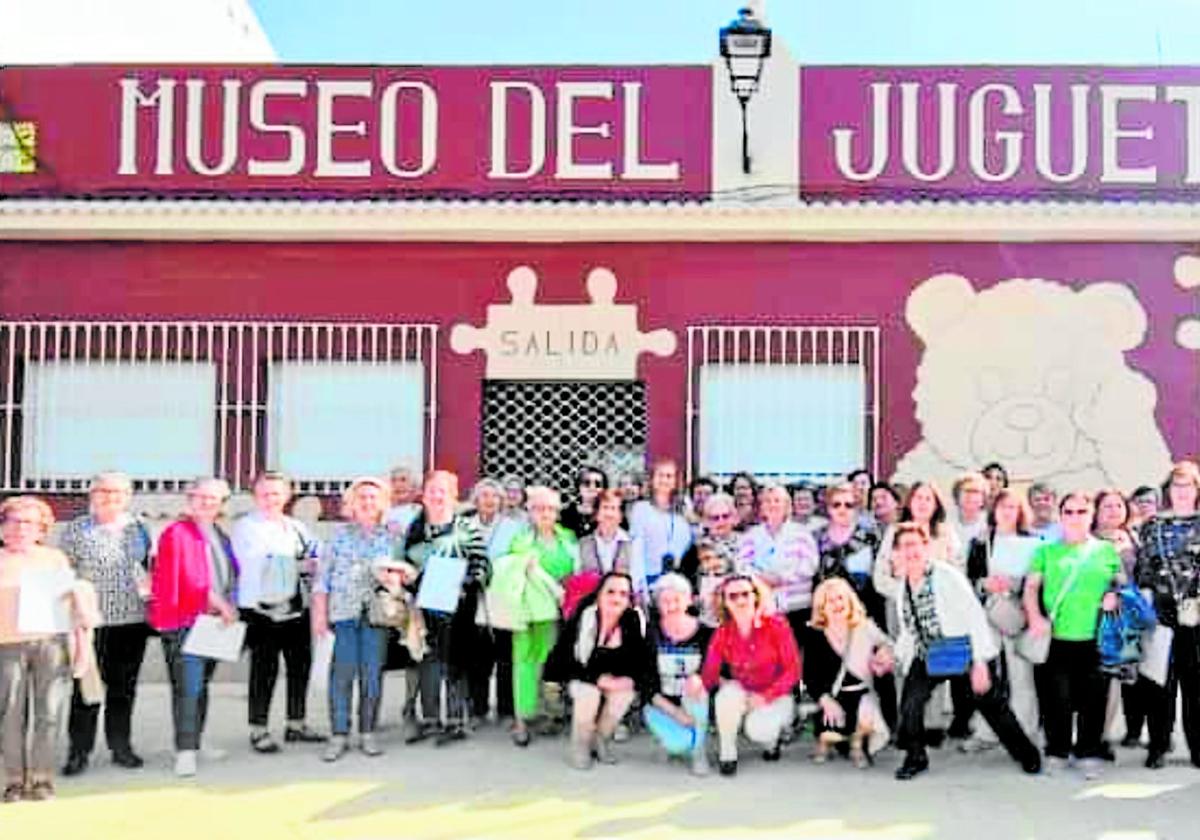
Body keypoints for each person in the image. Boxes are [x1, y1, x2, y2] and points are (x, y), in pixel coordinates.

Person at [892, 523, 1042, 780]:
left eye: (915, 544)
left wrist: (980, 663)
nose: (910, 551)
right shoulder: (902, 586)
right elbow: (909, 630)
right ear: (896, 551)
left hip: (963, 651)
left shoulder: (945, 575)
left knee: (992, 705)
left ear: (926, 546)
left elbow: (974, 616)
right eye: (904, 546)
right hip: (927, 653)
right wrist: (896, 656)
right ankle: (916, 757)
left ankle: (1027, 754)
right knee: (910, 704)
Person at [1023, 491, 1123, 779]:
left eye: (1082, 511)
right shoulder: (1045, 552)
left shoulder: (1106, 551)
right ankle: (1057, 750)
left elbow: (1122, 586)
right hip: (1056, 638)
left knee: (1094, 698)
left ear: (1091, 516)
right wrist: (1034, 617)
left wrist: (1114, 596)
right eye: (1069, 512)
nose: (1075, 517)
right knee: (1057, 699)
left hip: (1097, 638)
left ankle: (1088, 752)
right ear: (1060, 515)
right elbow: (1031, 589)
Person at [59, 472, 153, 776]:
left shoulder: (141, 528)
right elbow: (65, 573)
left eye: (118, 492)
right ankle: (79, 751)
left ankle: (120, 746)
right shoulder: (76, 529)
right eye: (103, 491)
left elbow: (150, 569)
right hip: (90, 623)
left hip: (132, 621)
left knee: (123, 689)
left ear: (128, 496)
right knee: (86, 689)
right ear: (91, 494)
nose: (110, 497)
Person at [147, 478, 239, 778]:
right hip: (184, 620)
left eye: (214, 499)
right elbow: (188, 578)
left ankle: (195, 743)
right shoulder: (176, 532)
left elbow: (229, 573)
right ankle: (184, 751)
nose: (207, 503)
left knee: (202, 687)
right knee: (187, 687)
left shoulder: (220, 534)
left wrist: (231, 603)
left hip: (214, 623)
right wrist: (222, 604)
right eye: (202, 497)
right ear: (190, 498)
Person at [0, 496, 88, 803]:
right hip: (6, 648)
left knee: (49, 712)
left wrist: (81, 649)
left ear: (41, 529)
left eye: (28, 522)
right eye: (12, 521)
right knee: (10, 715)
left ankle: (41, 778)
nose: (19, 528)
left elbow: (71, 608)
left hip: (50, 644)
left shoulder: (54, 559)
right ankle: (13, 780)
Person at [230, 471, 324, 755]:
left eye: (276, 493)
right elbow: (258, 562)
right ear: (255, 497)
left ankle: (296, 723)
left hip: (295, 606)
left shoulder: (295, 526)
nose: (271, 499)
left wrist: (309, 562)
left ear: (287, 496)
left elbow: (318, 553)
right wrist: (299, 565)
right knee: (264, 668)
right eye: (265, 494)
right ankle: (258, 728)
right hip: (260, 610)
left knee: (299, 666)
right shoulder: (246, 526)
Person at [311, 476, 398, 762]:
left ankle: (368, 732)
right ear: (352, 503)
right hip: (343, 614)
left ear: (383, 503)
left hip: (377, 615)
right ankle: (338, 733)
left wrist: (394, 580)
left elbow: (404, 574)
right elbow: (322, 579)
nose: (368, 502)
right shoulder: (338, 536)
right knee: (342, 675)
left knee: (372, 676)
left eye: (373, 497)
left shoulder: (391, 536)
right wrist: (319, 616)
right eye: (362, 497)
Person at [400, 470, 488, 745]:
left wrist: (467, 582)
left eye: (443, 490)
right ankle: (429, 719)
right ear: (423, 495)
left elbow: (482, 562)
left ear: (453, 495)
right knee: (427, 660)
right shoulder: (414, 528)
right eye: (432, 490)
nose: (437, 495)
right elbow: (404, 563)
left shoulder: (467, 526)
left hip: (459, 604)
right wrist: (409, 583)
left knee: (457, 661)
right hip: (423, 606)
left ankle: (455, 720)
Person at [491, 486, 577, 747]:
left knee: (550, 662)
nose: (545, 513)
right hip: (528, 612)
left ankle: (550, 713)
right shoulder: (521, 540)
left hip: (558, 614)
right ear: (529, 511)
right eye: (539, 508)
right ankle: (521, 719)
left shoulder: (569, 538)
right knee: (524, 662)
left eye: (550, 508)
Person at [959, 488, 1040, 745]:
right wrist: (985, 584)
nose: (1007, 512)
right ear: (994, 510)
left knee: (1021, 674)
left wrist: (1015, 584)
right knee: (989, 674)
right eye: (1002, 506)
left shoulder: (1033, 542)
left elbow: (1040, 581)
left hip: (1019, 612)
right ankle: (985, 731)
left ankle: (1025, 730)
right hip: (987, 613)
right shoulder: (981, 541)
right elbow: (968, 579)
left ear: (1020, 512)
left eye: (1013, 507)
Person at [547, 571, 651, 769]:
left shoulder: (634, 620)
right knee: (589, 694)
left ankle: (601, 740)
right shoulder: (584, 615)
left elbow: (641, 662)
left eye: (623, 594)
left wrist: (629, 680)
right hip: (581, 675)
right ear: (599, 594)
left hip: (615, 676)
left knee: (624, 695)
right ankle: (580, 745)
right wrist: (598, 680)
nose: (616, 598)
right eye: (610, 591)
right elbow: (564, 660)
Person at [701, 574, 800, 776]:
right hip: (745, 693)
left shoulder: (776, 625)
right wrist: (704, 688)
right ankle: (727, 753)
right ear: (725, 602)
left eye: (745, 594)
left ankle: (772, 742)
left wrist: (766, 697)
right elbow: (709, 674)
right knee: (727, 694)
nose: (740, 600)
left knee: (757, 729)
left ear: (756, 596)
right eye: (733, 596)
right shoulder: (723, 632)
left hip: (777, 696)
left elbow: (793, 671)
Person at [1135, 460, 1200, 770]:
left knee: (1196, 685)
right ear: (1168, 490)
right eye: (1176, 486)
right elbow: (1143, 569)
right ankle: (1158, 745)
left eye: (1188, 486)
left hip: (1197, 615)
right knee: (1159, 683)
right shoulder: (1153, 526)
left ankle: (1198, 748)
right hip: (1161, 613)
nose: (1182, 492)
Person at [806, 577, 894, 768]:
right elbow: (809, 677)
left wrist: (883, 654)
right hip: (834, 697)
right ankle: (826, 741)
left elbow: (888, 645)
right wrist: (825, 700)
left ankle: (857, 745)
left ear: (849, 600)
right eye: (830, 600)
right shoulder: (815, 635)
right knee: (830, 731)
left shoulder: (864, 626)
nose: (837, 604)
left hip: (862, 693)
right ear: (822, 607)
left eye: (840, 598)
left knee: (867, 712)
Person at [737, 484, 820, 663]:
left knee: (794, 657)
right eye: (768, 501)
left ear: (787, 506)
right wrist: (761, 580)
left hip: (796, 607)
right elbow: (741, 565)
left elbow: (810, 565)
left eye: (777, 501)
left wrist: (783, 578)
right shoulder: (752, 536)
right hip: (763, 607)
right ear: (761, 506)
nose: (773, 505)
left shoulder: (802, 534)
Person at [640, 574, 713, 775]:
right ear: (658, 605)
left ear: (689, 600)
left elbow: (712, 671)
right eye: (665, 601)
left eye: (677, 600)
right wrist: (675, 712)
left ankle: (699, 752)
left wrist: (699, 678)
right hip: (661, 703)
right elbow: (646, 684)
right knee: (679, 745)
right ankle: (675, 740)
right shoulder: (650, 634)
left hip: (695, 701)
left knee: (698, 689)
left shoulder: (705, 633)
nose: (671, 606)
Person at [465, 477, 522, 722]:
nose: (489, 500)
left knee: (505, 656)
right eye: (484, 495)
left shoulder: (513, 527)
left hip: (503, 597)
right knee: (477, 657)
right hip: (472, 596)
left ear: (501, 501)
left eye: (494, 496)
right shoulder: (464, 525)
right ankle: (478, 709)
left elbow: (519, 558)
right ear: (475, 499)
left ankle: (506, 710)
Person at [628, 459, 692, 591]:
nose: (664, 480)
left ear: (675, 481)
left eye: (669, 476)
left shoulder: (683, 511)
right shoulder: (641, 509)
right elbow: (636, 550)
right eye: (660, 475)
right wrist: (638, 586)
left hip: (678, 581)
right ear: (652, 479)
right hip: (649, 580)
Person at [577, 490, 644, 596]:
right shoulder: (583, 544)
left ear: (621, 516)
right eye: (605, 508)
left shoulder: (633, 544)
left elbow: (637, 583)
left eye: (613, 508)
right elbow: (578, 578)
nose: (609, 513)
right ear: (596, 514)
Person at [949, 472, 989, 563]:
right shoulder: (946, 521)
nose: (971, 496)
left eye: (975, 492)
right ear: (957, 495)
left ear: (983, 498)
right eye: (966, 491)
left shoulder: (990, 524)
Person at [560, 466, 608, 540]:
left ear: (604, 488)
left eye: (597, 484)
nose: (592, 487)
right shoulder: (566, 514)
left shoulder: (609, 514)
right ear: (579, 486)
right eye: (587, 483)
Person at [384, 465, 422, 537]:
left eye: (403, 480)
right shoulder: (381, 512)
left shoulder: (421, 512)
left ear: (414, 486)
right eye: (393, 480)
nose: (398, 485)